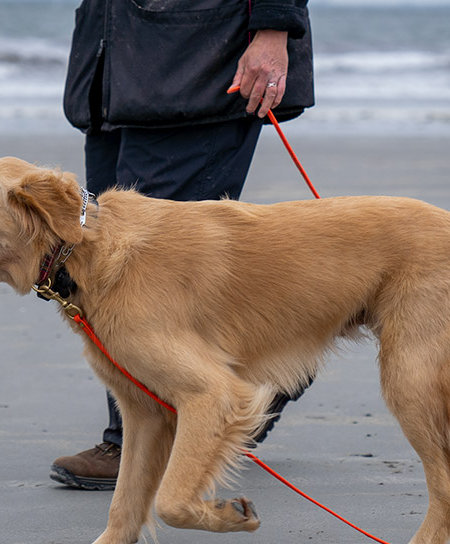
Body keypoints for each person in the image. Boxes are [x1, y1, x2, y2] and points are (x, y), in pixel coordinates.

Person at [48, 0, 314, 490]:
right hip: (110, 66)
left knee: (146, 275)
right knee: (99, 255)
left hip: (200, 61)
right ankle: (266, 373)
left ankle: (144, 436)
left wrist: (274, 30)